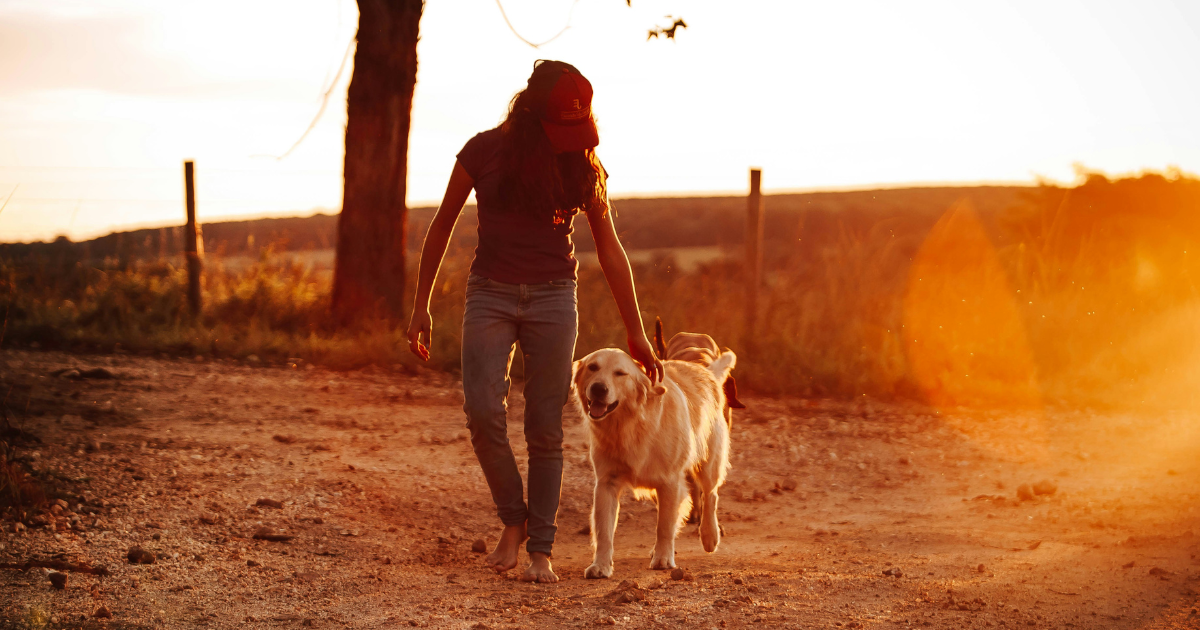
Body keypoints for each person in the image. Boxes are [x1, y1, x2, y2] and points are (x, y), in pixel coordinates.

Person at [406, 60, 664, 584]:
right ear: (530, 114)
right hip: (490, 294)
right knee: (482, 413)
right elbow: (440, 227)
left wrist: (635, 330)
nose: (570, 140)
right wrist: (420, 305)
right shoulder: (484, 151)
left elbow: (610, 249)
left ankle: (540, 550)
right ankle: (514, 520)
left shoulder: (582, 164)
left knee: (544, 428)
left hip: (553, 298)